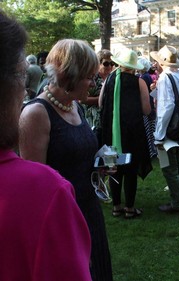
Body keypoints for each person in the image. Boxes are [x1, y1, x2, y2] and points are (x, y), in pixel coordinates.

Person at [0, 11, 92, 281]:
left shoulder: (76, 107)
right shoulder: (44, 190)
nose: (25, 90)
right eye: (21, 76)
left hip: (85, 207)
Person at [19, 39, 113, 281]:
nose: (93, 84)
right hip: (62, 219)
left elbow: (77, 156)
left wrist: (99, 168)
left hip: (88, 210)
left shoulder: (75, 107)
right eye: (89, 77)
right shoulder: (36, 114)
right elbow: (34, 187)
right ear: (68, 74)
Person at [100, 49, 153, 218]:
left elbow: (101, 103)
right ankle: (129, 208)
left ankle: (116, 206)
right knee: (130, 168)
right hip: (132, 130)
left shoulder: (109, 79)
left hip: (111, 130)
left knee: (113, 166)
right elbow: (146, 110)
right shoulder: (139, 82)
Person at [150, 45, 179, 213]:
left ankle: (177, 203)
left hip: (170, 127)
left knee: (169, 167)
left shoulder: (165, 78)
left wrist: (159, 134)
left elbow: (166, 107)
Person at [81, 49, 114, 146]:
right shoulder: (92, 78)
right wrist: (102, 99)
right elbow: (82, 99)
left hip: (108, 121)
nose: (110, 66)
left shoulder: (111, 78)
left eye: (112, 63)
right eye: (106, 63)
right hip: (94, 121)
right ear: (98, 64)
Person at [138, 56, 158, 159]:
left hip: (148, 104)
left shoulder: (144, 77)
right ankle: (152, 151)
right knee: (150, 129)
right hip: (150, 103)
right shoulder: (146, 76)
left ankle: (151, 152)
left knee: (149, 130)